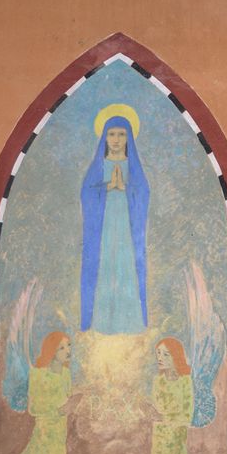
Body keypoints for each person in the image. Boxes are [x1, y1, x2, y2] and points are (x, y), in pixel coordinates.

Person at [80, 104, 149, 335]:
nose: (116, 139)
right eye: (111, 134)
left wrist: (126, 188)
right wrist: (108, 187)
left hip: (127, 232)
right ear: (104, 137)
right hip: (104, 230)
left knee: (126, 268)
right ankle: (101, 324)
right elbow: (86, 193)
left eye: (121, 134)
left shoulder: (133, 166)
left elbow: (143, 192)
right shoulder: (99, 166)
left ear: (129, 138)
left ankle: (129, 324)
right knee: (104, 268)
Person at [0, 331, 80, 454]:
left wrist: (74, 401)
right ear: (52, 351)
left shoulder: (66, 374)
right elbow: (34, 409)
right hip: (44, 433)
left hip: (60, 434)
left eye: (69, 345)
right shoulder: (38, 375)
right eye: (61, 347)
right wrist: (60, 409)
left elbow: (67, 400)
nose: (67, 350)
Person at [149, 337, 227, 454]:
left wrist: (170, 416)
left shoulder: (186, 381)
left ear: (176, 356)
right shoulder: (158, 381)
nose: (160, 358)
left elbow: (186, 412)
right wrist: (167, 414)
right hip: (161, 432)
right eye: (158, 353)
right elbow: (158, 407)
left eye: (166, 354)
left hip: (177, 431)